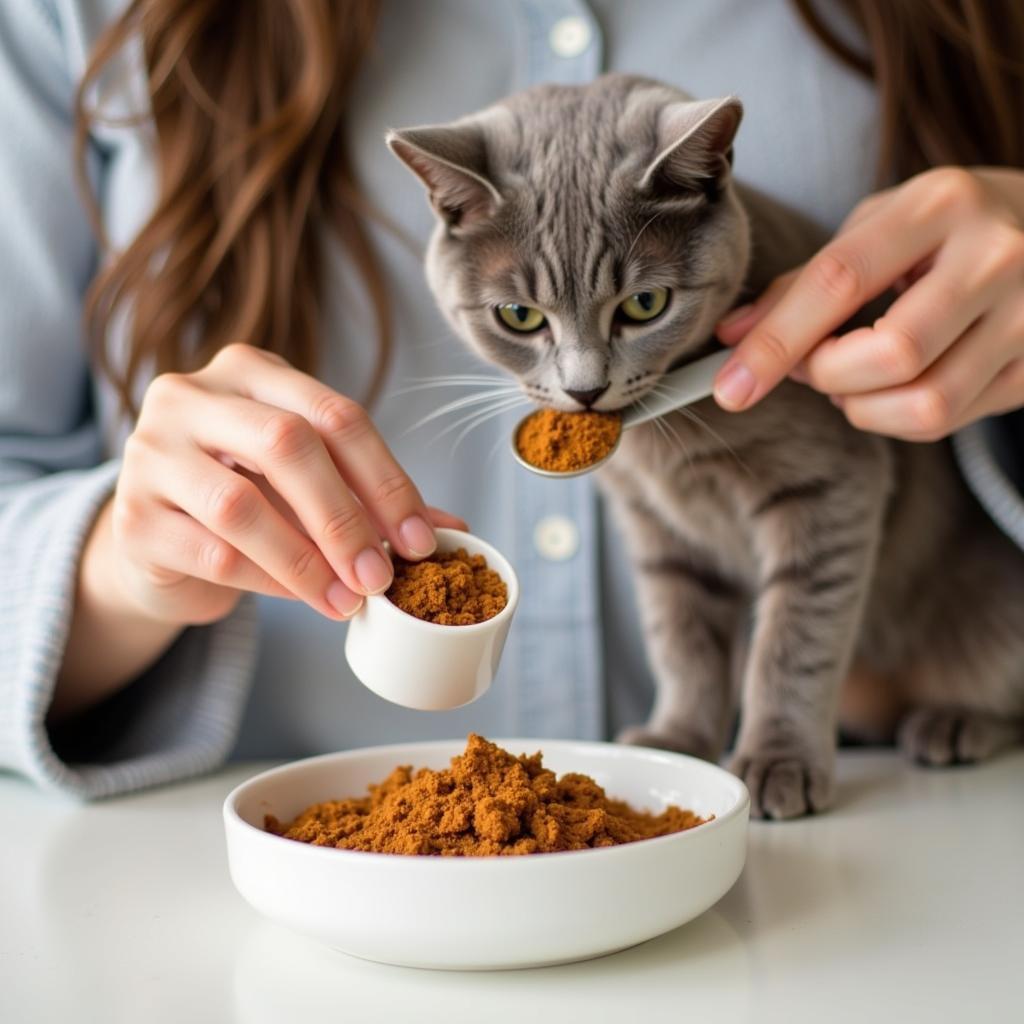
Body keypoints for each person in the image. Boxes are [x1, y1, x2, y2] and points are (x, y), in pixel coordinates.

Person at [1, 0, 1022, 798]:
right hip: (281, 832)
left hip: (885, 801)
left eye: (643, 305)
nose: (581, 379)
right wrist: (114, 572)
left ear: (708, 180)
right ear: (446, 208)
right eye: (527, 322)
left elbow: (832, 485)